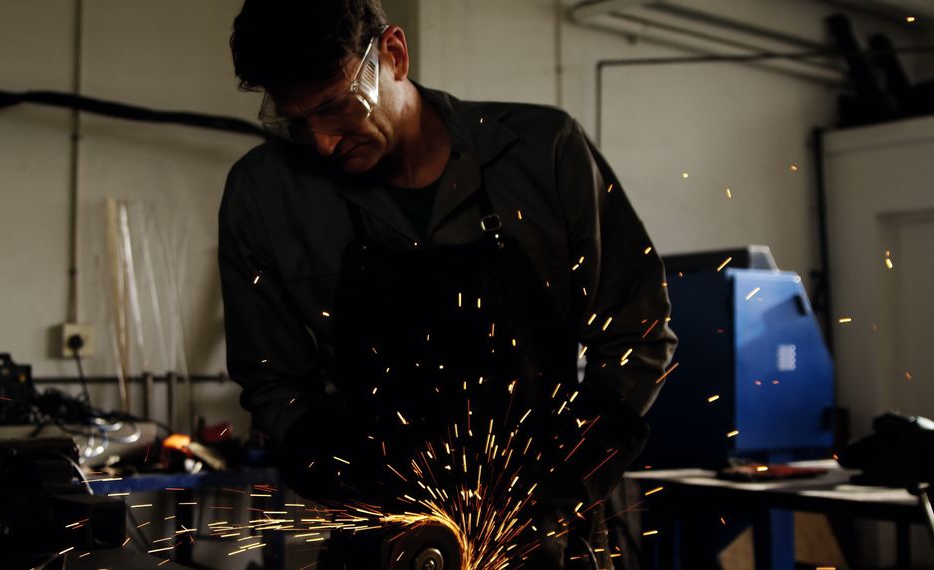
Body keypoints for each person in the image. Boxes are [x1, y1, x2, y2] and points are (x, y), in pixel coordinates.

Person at [219, 0, 677, 567]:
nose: (323, 144)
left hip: (544, 539)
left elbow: (638, 335)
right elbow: (273, 383)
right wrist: (355, 488)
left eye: (339, 108)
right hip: (386, 544)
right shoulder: (264, 195)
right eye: (295, 122)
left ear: (394, 53)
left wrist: (557, 493)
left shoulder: (544, 153)